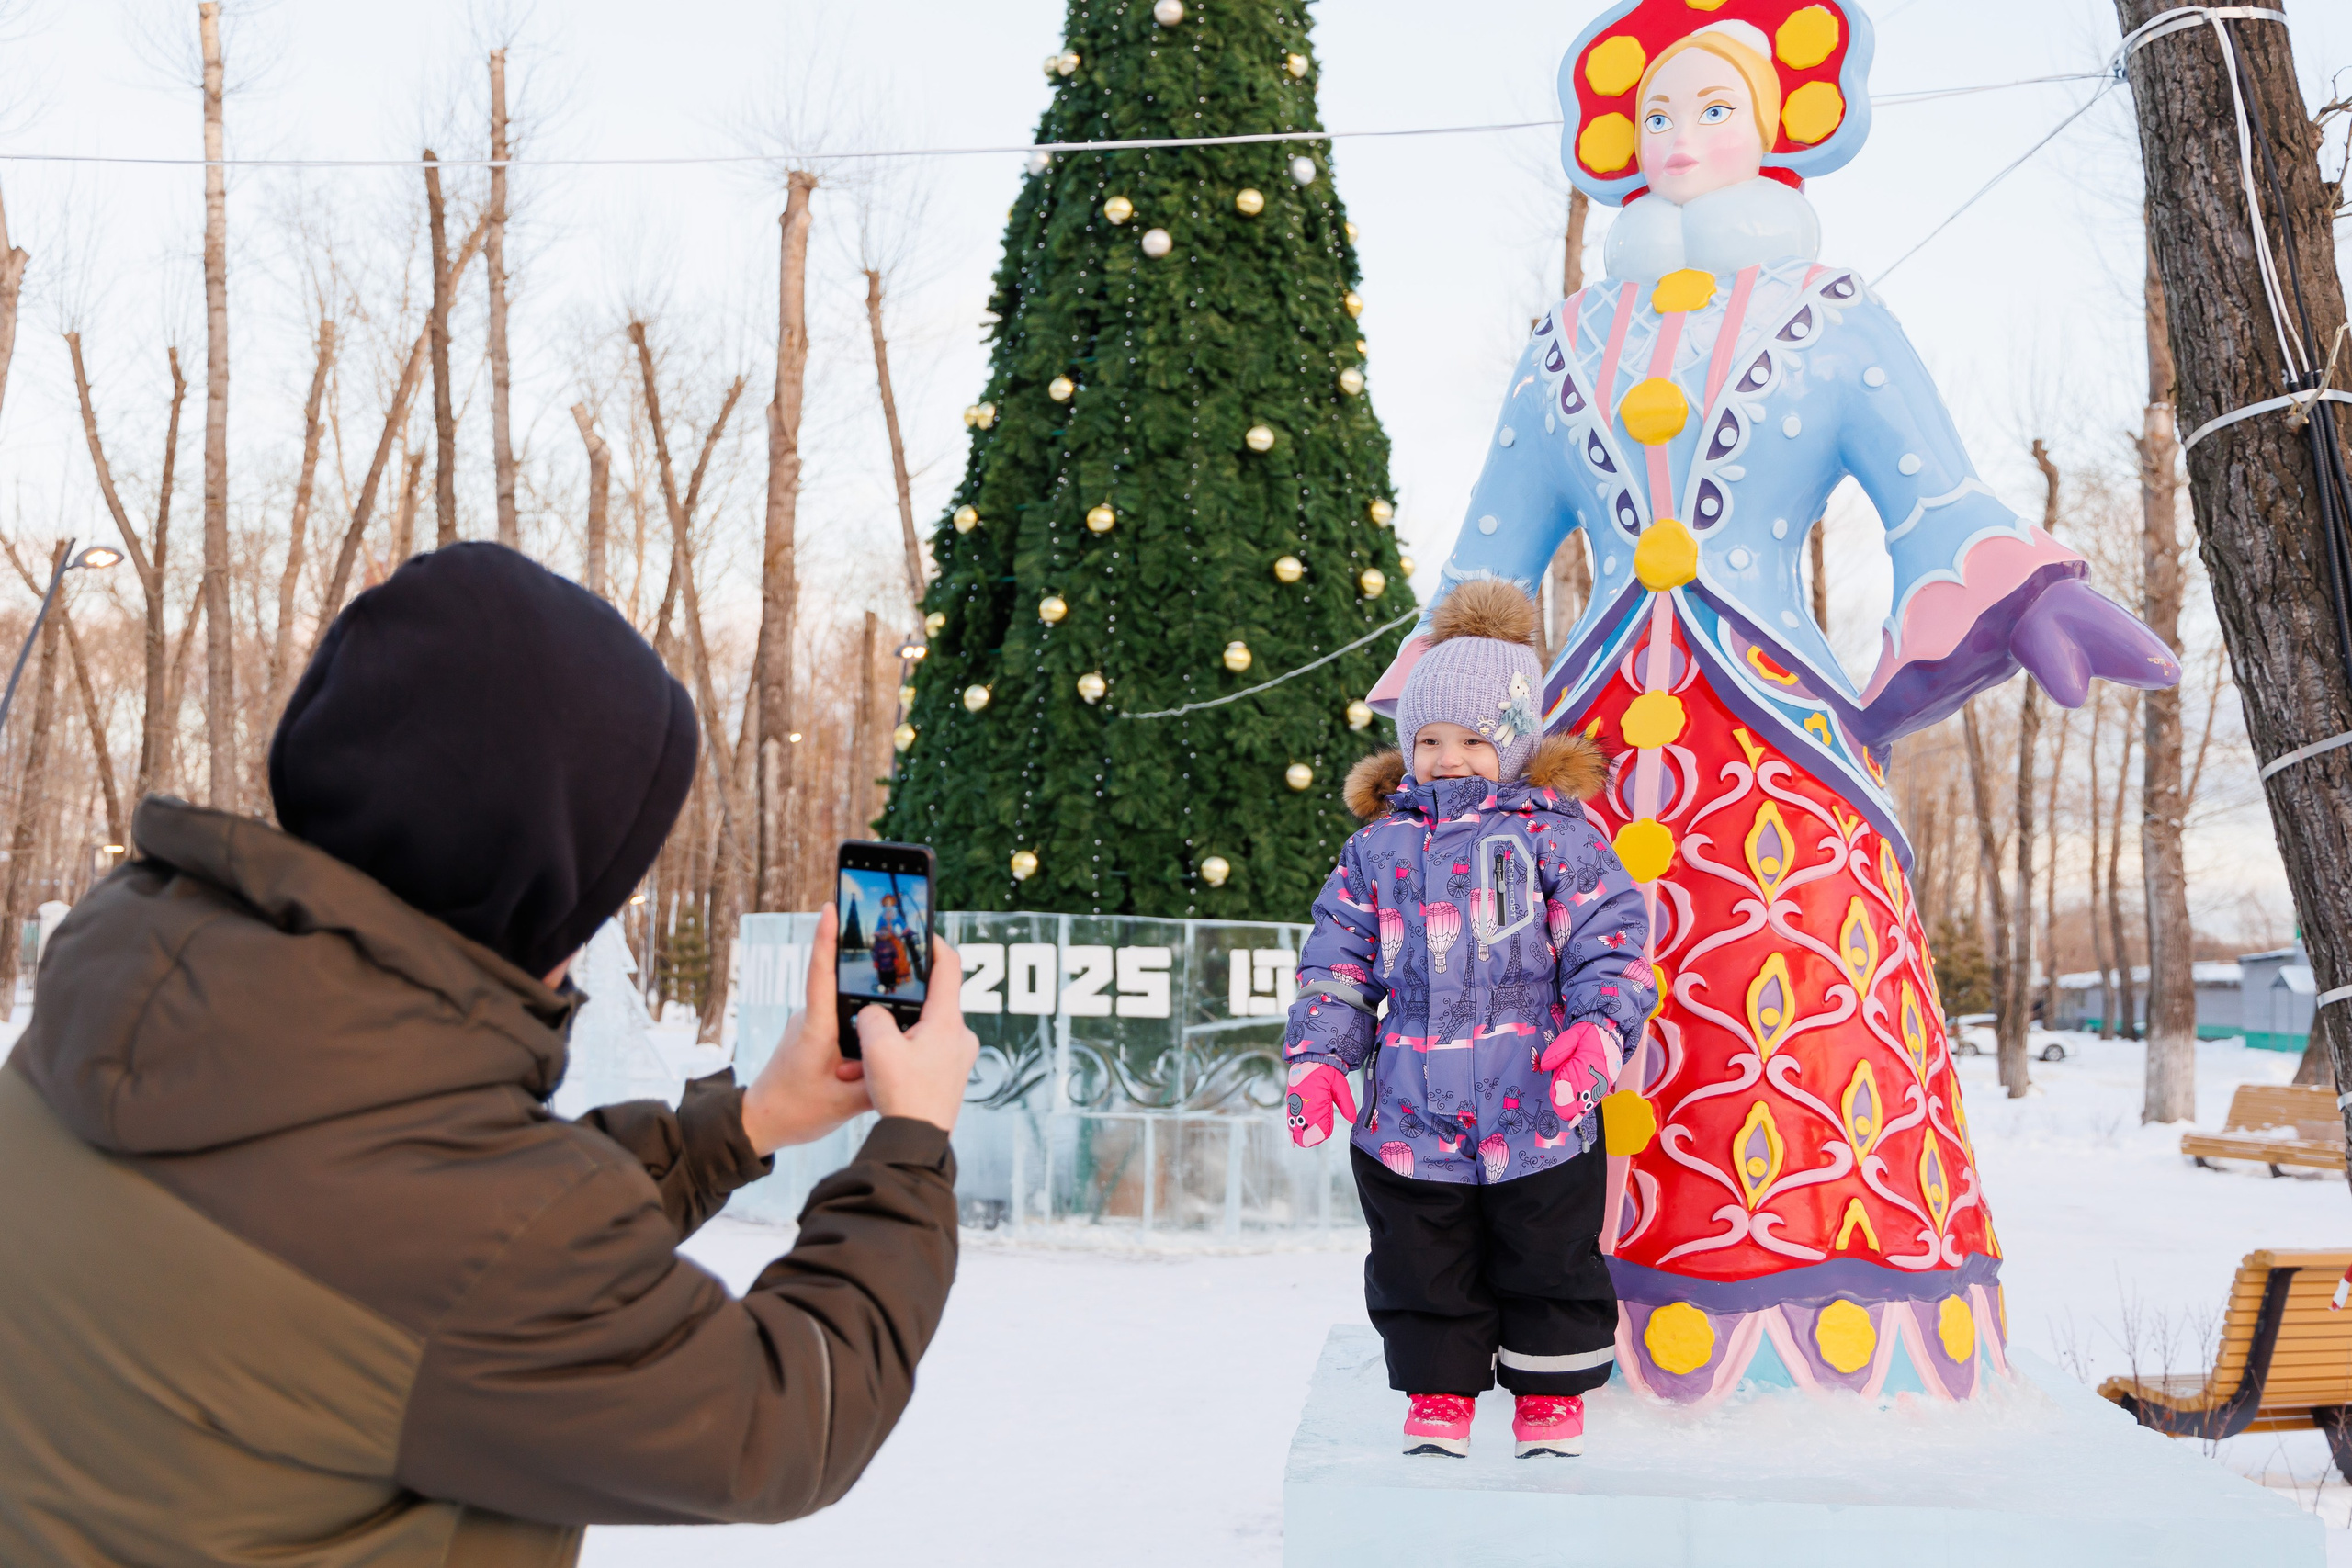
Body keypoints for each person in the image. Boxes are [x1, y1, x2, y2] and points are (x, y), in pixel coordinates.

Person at [1363, 0, 2178, 1405]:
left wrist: (2027, 589)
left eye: (1711, 108)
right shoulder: (1561, 343)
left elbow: (1937, 492)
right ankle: (1554, 1316)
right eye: (1656, 115)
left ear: (1780, 125)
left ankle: (1837, 1317)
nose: (1679, 137)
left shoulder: (1834, 315)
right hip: (1584, 750)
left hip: (1780, 733)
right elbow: (1491, 557)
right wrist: (1439, 710)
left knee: (1788, 978)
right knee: (1556, 988)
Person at [0, 543, 980, 1567]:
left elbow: (425, 1240)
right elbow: (785, 1419)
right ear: (540, 877)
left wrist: (745, 1126)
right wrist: (911, 1146)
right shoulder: (468, 1238)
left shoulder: (121, 991)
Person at [1284, 580, 1656, 1459]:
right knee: (1420, 1255)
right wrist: (1322, 1058)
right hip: (1410, 1105)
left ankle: (1550, 1394)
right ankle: (1440, 1391)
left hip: (1539, 1099)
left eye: (1473, 740)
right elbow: (1335, 959)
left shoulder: (1558, 837)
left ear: (1516, 741)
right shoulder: (1377, 848)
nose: (1448, 758)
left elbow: (1612, 944)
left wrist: (1599, 1028)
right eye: (1429, 740)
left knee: (1549, 1250)